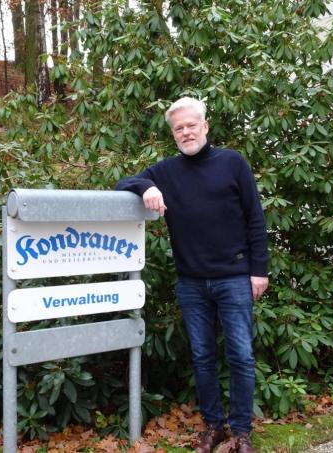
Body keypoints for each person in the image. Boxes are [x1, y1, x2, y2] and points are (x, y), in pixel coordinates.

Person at [116, 97, 268, 453]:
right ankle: (213, 427)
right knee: (202, 357)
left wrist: (259, 271)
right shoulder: (165, 172)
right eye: (178, 128)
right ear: (174, 134)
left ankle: (241, 433)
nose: (186, 132)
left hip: (235, 278)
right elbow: (124, 182)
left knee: (241, 356)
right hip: (192, 283)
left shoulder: (232, 163)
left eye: (191, 125)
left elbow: (255, 219)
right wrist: (147, 187)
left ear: (205, 126)